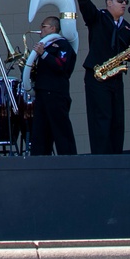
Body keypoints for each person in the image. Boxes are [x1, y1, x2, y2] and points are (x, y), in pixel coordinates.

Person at [75, 0, 130, 155]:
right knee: (101, 119)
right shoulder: (99, 17)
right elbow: (87, 9)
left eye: (126, 1)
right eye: (120, 0)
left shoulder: (128, 28)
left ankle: (117, 156)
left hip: (116, 77)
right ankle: (101, 159)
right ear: (109, 3)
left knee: (117, 120)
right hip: (97, 76)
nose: (124, 3)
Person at [28, 15, 78, 157]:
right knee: (40, 132)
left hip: (56, 93)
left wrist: (43, 54)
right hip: (42, 93)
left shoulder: (62, 44)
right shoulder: (47, 46)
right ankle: (39, 162)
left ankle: (69, 161)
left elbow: (61, 65)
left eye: (43, 26)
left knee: (61, 131)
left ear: (52, 28)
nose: (40, 30)